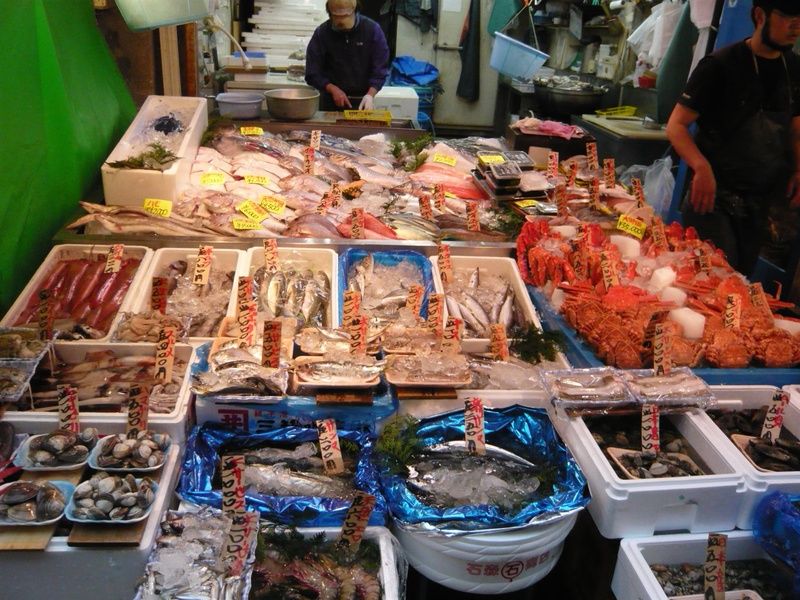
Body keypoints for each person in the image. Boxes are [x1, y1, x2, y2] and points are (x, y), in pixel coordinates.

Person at [665, 0, 800, 276]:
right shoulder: (721, 65)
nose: (796, 25)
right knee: (711, 282)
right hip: (713, 199)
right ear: (760, 15)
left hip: (760, 203)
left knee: (738, 284)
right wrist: (700, 167)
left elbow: (796, 128)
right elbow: (676, 125)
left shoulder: (795, 69)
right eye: (787, 15)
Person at [305, 0, 390, 111]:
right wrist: (331, 88)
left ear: (355, 10)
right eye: (337, 18)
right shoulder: (322, 33)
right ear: (330, 14)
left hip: (363, 100)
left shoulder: (372, 30)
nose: (342, 23)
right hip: (330, 102)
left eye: (346, 17)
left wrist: (370, 95)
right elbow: (312, 73)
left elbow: (380, 70)